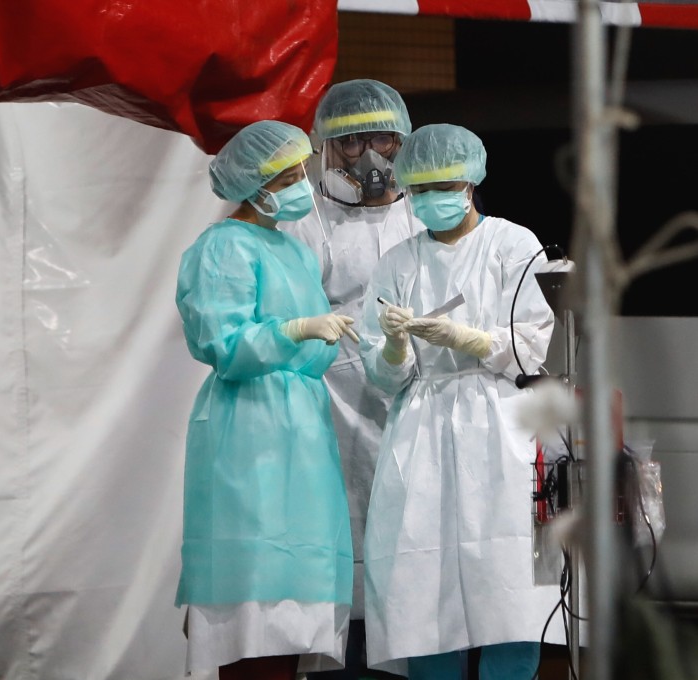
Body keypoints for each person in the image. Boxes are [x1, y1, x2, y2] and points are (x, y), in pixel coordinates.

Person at [357, 123, 558, 679]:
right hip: (420, 429)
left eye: (441, 186)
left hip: (497, 423)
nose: (429, 200)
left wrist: (467, 338)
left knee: (507, 584)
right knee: (425, 584)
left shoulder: (512, 243)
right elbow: (382, 375)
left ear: (469, 180)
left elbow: (531, 343)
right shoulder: (398, 262)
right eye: (418, 190)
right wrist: (396, 345)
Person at [175, 120, 356, 679]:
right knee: (251, 595)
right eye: (289, 175)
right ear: (256, 185)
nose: (303, 183)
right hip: (247, 431)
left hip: (302, 432)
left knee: (297, 598)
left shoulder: (295, 252)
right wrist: (294, 330)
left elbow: (312, 357)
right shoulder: (221, 247)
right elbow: (221, 344)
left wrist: (339, 338)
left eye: (303, 170)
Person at [282, 79, 422, 680]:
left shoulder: (421, 215)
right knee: (336, 558)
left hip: (411, 407)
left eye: (384, 143)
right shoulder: (302, 222)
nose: (371, 159)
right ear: (323, 148)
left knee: (408, 555)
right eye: (351, 144)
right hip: (328, 412)